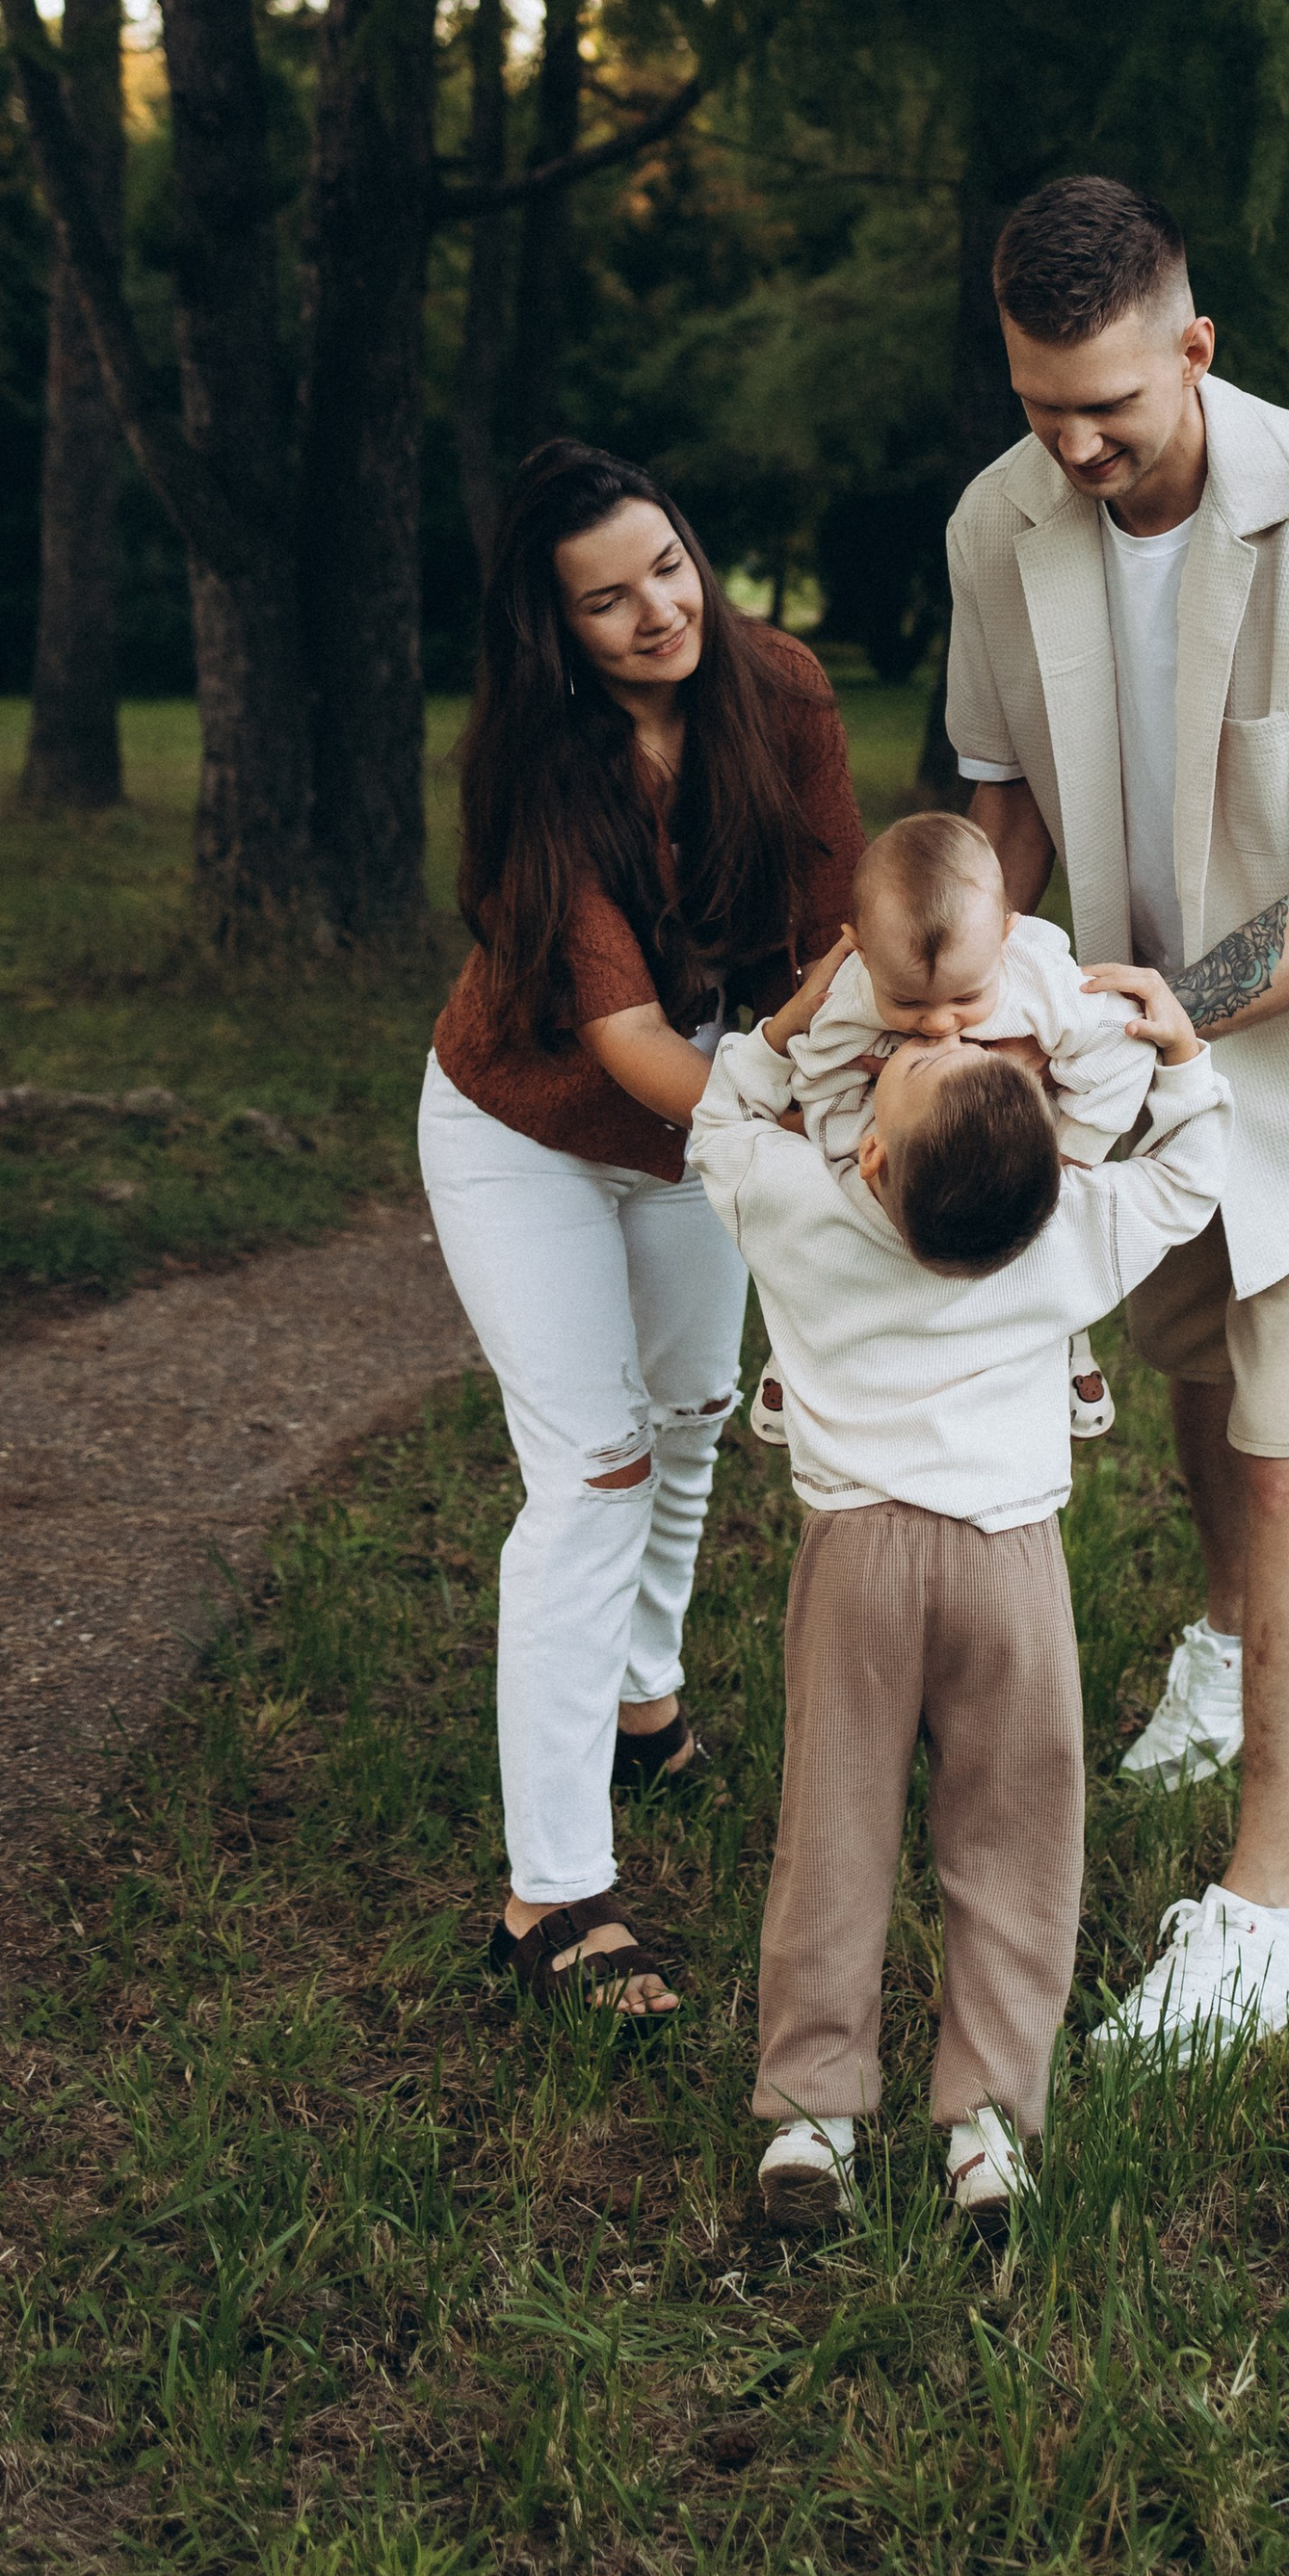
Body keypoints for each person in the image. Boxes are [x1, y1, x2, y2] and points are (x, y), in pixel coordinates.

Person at [943, 177, 1289, 2061]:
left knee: (1282, 1437)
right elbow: (1000, 793)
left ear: (1192, 343)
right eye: (1039, 407)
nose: (1077, 446)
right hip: (1124, 1042)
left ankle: (1273, 1912)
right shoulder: (993, 524)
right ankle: (1219, 1644)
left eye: (1110, 402)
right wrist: (975, 979)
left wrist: (1167, 1003)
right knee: (1187, 1365)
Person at [687, 933, 1229, 2230]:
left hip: (857, 1565)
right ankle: (987, 2129)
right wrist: (1186, 1051)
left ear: (871, 1161)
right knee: (1016, 1843)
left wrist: (798, 1012)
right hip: (1011, 1571)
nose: (933, 1042)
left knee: (832, 1832)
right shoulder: (1069, 1229)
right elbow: (1192, 1177)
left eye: (931, 1061)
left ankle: (812, 2122)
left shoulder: (807, 1211)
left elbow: (723, 1117)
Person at [420, 440, 863, 2017]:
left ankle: (641, 1700)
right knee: (594, 1468)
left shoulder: (782, 692)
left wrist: (875, 1075)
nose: (656, 611)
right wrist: (804, 1142)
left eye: (666, 567)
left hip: (700, 1124)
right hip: (528, 1130)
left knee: (686, 1422)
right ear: (557, 633)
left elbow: (836, 939)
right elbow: (635, 1059)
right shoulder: (544, 772)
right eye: (605, 602)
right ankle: (550, 1896)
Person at [756, 808, 1155, 1441]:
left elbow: (1124, 1052)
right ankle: (809, 1343)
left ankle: (1062, 1338)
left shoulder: (1043, 986)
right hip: (895, 1136)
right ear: (859, 949)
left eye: (966, 999)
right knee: (846, 1234)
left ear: (1004, 937)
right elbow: (820, 1079)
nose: (941, 1024)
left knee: (1037, 1234)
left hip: (1016, 1144)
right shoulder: (849, 1000)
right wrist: (848, 1164)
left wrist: (1066, 1153)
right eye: (909, 1002)